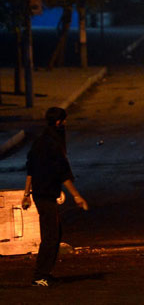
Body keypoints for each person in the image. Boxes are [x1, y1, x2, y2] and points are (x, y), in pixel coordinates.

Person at [21, 107, 89, 287]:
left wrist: (27, 194)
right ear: (58, 122)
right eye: (64, 121)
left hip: (40, 193)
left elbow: (30, 169)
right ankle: (39, 275)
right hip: (46, 195)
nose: (66, 124)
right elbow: (63, 173)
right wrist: (76, 196)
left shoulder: (40, 141)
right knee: (51, 236)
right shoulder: (53, 144)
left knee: (54, 233)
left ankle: (45, 273)